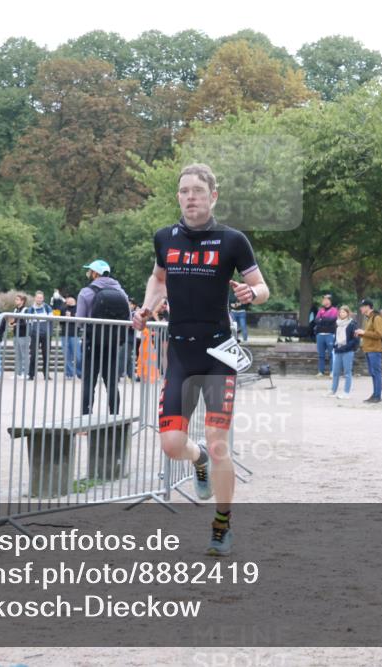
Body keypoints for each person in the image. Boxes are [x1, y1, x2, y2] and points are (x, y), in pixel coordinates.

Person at [133, 163, 269, 557]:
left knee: (218, 439)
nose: (189, 196)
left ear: (213, 196)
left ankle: (221, 525)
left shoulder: (232, 241)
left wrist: (251, 293)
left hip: (216, 355)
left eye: (197, 190)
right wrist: (146, 309)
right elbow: (159, 279)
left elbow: (261, 286)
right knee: (173, 444)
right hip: (179, 353)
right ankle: (199, 460)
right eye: (183, 191)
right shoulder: (164, 238)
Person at [77, 260, 130, 415]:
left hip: (91, 342)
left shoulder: (86, 292)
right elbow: (127, 317)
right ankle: (114, 419)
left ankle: (86, 420)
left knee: (89, 382)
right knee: (112, 383)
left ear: (95, 273)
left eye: (90, 271)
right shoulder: (121, 292)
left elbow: (80, 320)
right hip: (113, 343)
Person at [355, 299, 382, 404]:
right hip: (368, 349)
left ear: (368, 307)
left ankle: (378, 395)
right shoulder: (368, 318)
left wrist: (364, 332)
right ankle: (375, 394)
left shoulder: (376, 318)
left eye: (362, 306)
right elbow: (369, 333)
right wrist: (361, 333)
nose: (361, 308)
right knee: (373, 373)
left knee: (376, 373)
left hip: (375, 349)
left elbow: (379, 334)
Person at [329, 305, 358, 399]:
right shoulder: (337, 323)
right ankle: (333, 390)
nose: (342, 314)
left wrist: (345, 347)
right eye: (340, 312)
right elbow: (335, 336)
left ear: (348, 313)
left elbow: (354, 340)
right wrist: (334, 345)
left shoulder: (352, 324)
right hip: (338, 350)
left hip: (347, 351)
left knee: (347, 372)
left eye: (344, 312)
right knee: (335, 372)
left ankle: (346, 392)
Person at [27, 290, 53, 380]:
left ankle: (46, 374)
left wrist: (50, 333)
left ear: (43, 298)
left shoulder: (48, 308)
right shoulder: (30, 309)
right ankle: (31, 374)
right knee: (33, 355)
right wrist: (30, 333)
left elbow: (51, 322)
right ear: (35, 298)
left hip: (46, 334)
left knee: (46, 355)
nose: (39, 299)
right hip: (35, 335)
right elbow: (28, 323)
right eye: (38, 297)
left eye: (41, 298)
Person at [5, 294, 31, 378]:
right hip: (16, 335)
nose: (15, 301)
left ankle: (26, 373)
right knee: (18, 355)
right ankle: (18, 373)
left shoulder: (26, 310)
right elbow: (14, 321)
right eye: (15, 299)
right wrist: (11, 323)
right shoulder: (16, 310)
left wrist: (15, 324)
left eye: (17, 299)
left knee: (24, 355)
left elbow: (26, 323)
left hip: (24, 335)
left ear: (22, 301)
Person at [313, 295, 338, 377]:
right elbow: (316, 320)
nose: (324, 301)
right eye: (324, 299)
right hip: (320, 335)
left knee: (331, 354)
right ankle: (321, 371)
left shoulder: (334, 310)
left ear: (330, 301)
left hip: (330, 334)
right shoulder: (320, 310)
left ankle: (332, 371)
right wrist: (323, 320)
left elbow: (331, 320)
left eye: (326, 299)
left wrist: (322, 319)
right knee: (321, 355)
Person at [60, 295, 82, 378]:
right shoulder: (63, 308)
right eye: (66, 299)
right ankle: (69, 373)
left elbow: (81, 321)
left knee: (78, 356)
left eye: (69, 298)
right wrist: (65, 318)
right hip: (64, 334)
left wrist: (72, 317)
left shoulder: (79, 308)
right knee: (67, 355)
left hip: (75, 334)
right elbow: (60, 322)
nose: (67, 300)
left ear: (73, 299)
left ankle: (79, 372)